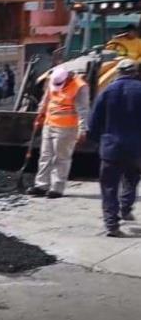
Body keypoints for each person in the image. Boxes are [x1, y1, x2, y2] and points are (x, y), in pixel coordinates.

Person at [87, 58, 141, 237]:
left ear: (118, 72)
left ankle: (112, 225)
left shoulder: (107, 91)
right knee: (132, 179)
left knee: (109, 187)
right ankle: (126, 208)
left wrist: (97, 142)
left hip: (111, 148)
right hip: (136, 149)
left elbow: (94, 121)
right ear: (135, 72)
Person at [27, 67, 89, 199]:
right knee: (45, 156)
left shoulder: (80, 87)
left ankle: (57, 188)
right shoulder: (53, 80)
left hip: (67, 128)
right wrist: (40, 115)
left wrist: (82, 130)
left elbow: (83, 110)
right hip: (49, 124)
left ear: (67, 78)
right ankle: (41, 185)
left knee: (61, 158)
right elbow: (46, 99)